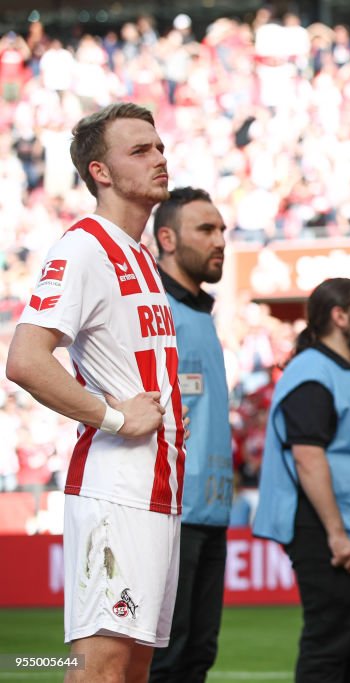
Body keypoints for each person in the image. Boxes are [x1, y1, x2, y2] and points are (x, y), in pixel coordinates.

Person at [5, 102, 183, 682]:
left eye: (158, 147)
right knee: (98, 670)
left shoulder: (139, 255)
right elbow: (26, 360)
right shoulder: (84, 246)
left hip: (157, 491)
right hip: (118, 490)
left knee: (132, 671)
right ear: (100, 172)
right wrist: (113, 416)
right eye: (140, 150)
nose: (159, 157)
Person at [252, 278, 350, 683]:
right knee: (331, 646)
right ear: (339, 316)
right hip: (333, 531)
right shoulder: (311, 372)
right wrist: (337, 534)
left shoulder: (349, 373)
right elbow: (307, 458)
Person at [149, 187, 231, 682]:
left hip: (210, 510)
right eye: (206, 229)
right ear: (168, 239)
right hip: (169, 513)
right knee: (166, 656)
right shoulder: (154, 312)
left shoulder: (202, 315)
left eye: (221, 229)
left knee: (198, 653)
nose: (220, 240)